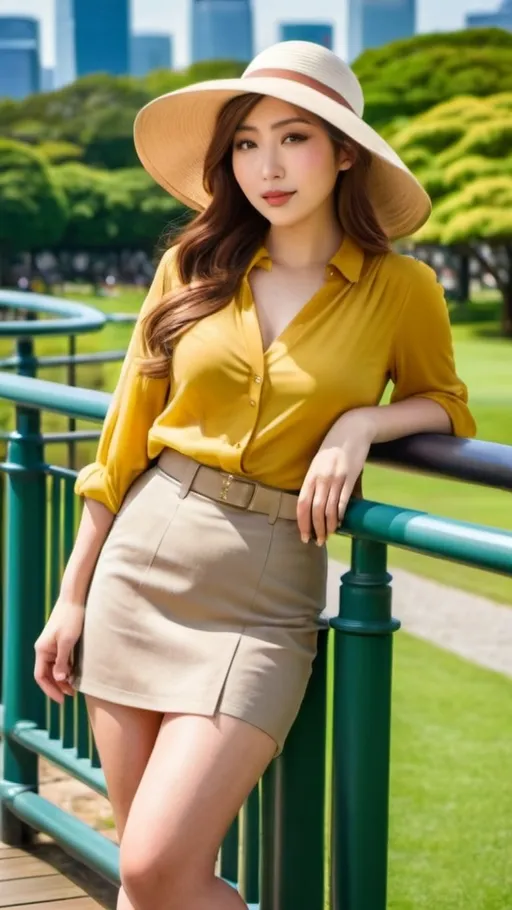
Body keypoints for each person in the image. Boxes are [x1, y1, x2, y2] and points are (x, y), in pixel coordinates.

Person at [33, 41, 476, 910]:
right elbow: (123, 439)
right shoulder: (192, 267)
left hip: (263, 593)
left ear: (344, 151)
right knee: (148, 882)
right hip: (141, 561)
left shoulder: (402, 288)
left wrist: (364, 422)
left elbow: (446, 403)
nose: (266, 167)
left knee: (158, 869)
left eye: (293, 138)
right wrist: (73, 592)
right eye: (245, 144)